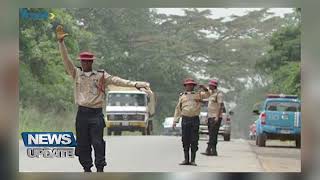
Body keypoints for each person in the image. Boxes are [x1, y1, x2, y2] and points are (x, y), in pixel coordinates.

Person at [56, 25, 149, 172]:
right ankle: (87, 168)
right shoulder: (76, 74)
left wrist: (135, 84)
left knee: (98, 142)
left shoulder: (101, 75)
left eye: (87, 61)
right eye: (83, 61)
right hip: (82, 114)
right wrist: (61, 43)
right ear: (80, 62)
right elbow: (66, 60)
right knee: (83, 143)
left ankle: (100, 168)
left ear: (92, 62)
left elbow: (118, 80)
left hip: (96, 114)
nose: (85, 63)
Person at [172, 78, 209, 166]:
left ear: (194, 86)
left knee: (194, 140)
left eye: (192, 85)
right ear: (185, 86)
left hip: (194, 119)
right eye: (188, 85)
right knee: (185, 140)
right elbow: (178, 109)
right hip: (185, 119)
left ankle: (193, 160)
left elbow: (208, 95)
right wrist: (175, 121)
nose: (190, 86)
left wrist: (204, 88)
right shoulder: (182, 96)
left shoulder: (198, 94)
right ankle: (186, 159)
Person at [201, 79, 224, 156]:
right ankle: (213, 150)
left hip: (215, 117)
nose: (209, 86)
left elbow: (220, 106)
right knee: (211, 134)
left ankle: (209, 150)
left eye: (210, 85)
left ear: (214, 86)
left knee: (213, 134)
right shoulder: (211, 94)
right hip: (210, 116)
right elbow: (206, 91)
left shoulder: (219, 94)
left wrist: (217, 116)